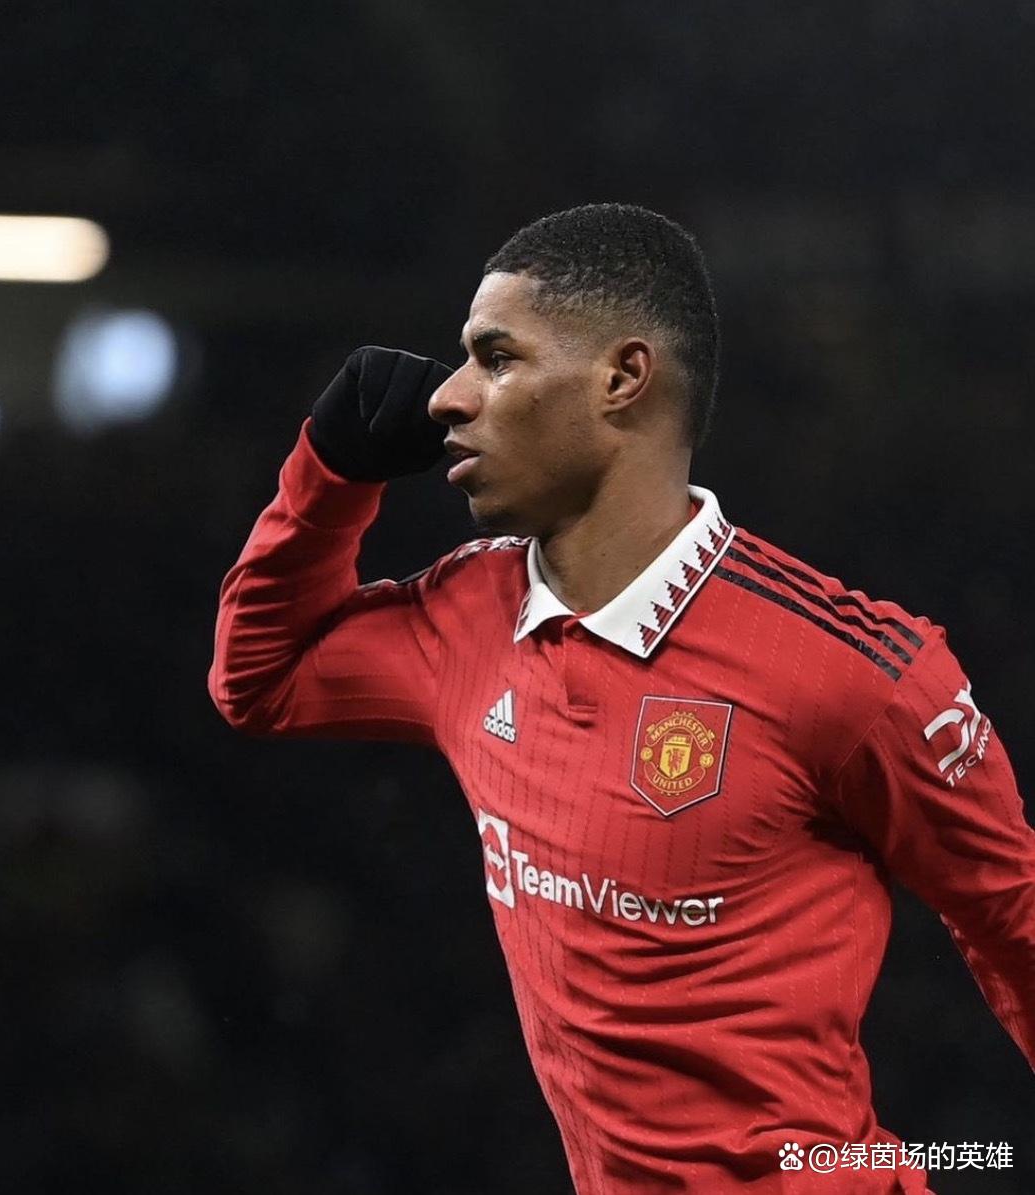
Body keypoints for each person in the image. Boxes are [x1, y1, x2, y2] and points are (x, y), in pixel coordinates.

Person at [209, 204, 1034, 1193]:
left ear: (622, 378)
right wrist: (328, 476)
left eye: (496, 358)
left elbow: (1015, 924)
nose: (448, 397)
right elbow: (260, 679)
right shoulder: (468, 611)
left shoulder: (854, 671)